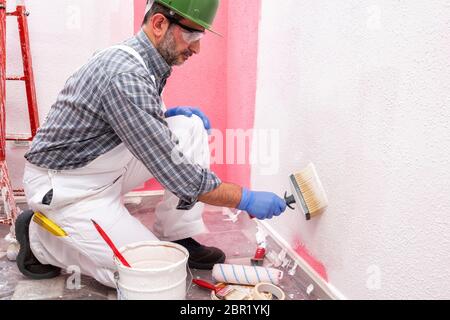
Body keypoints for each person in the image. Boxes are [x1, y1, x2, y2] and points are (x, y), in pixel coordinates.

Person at [15, 0, 287, 288]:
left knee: (189, 127)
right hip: (70, 188)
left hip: (103, 168)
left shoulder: (145, 60)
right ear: (159, 24)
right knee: (152, 277)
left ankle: (176, 232)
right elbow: (180, 176)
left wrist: (160, 118)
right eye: (193, 36)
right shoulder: (124, 74)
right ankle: (39, 240)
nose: (196, 48)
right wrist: (244, 198)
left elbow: (126, 123)